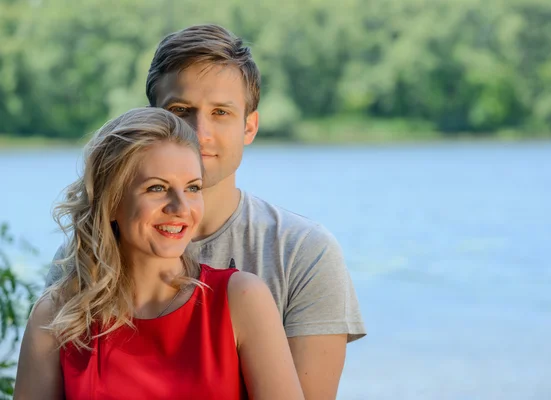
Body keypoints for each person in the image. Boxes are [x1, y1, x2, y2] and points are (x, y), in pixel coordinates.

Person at [47, 24, 366, 399]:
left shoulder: (303, 252)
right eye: (181, 110)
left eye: (220, 112)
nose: (199, 132)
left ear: (249, 126)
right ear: (155, 120)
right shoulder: (85, 262)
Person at [15, 108, 304, 400]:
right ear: (111, 202)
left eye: (193, 188)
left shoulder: (242, 300)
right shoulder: (56, 316)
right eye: (157, 188)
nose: (180, 208)